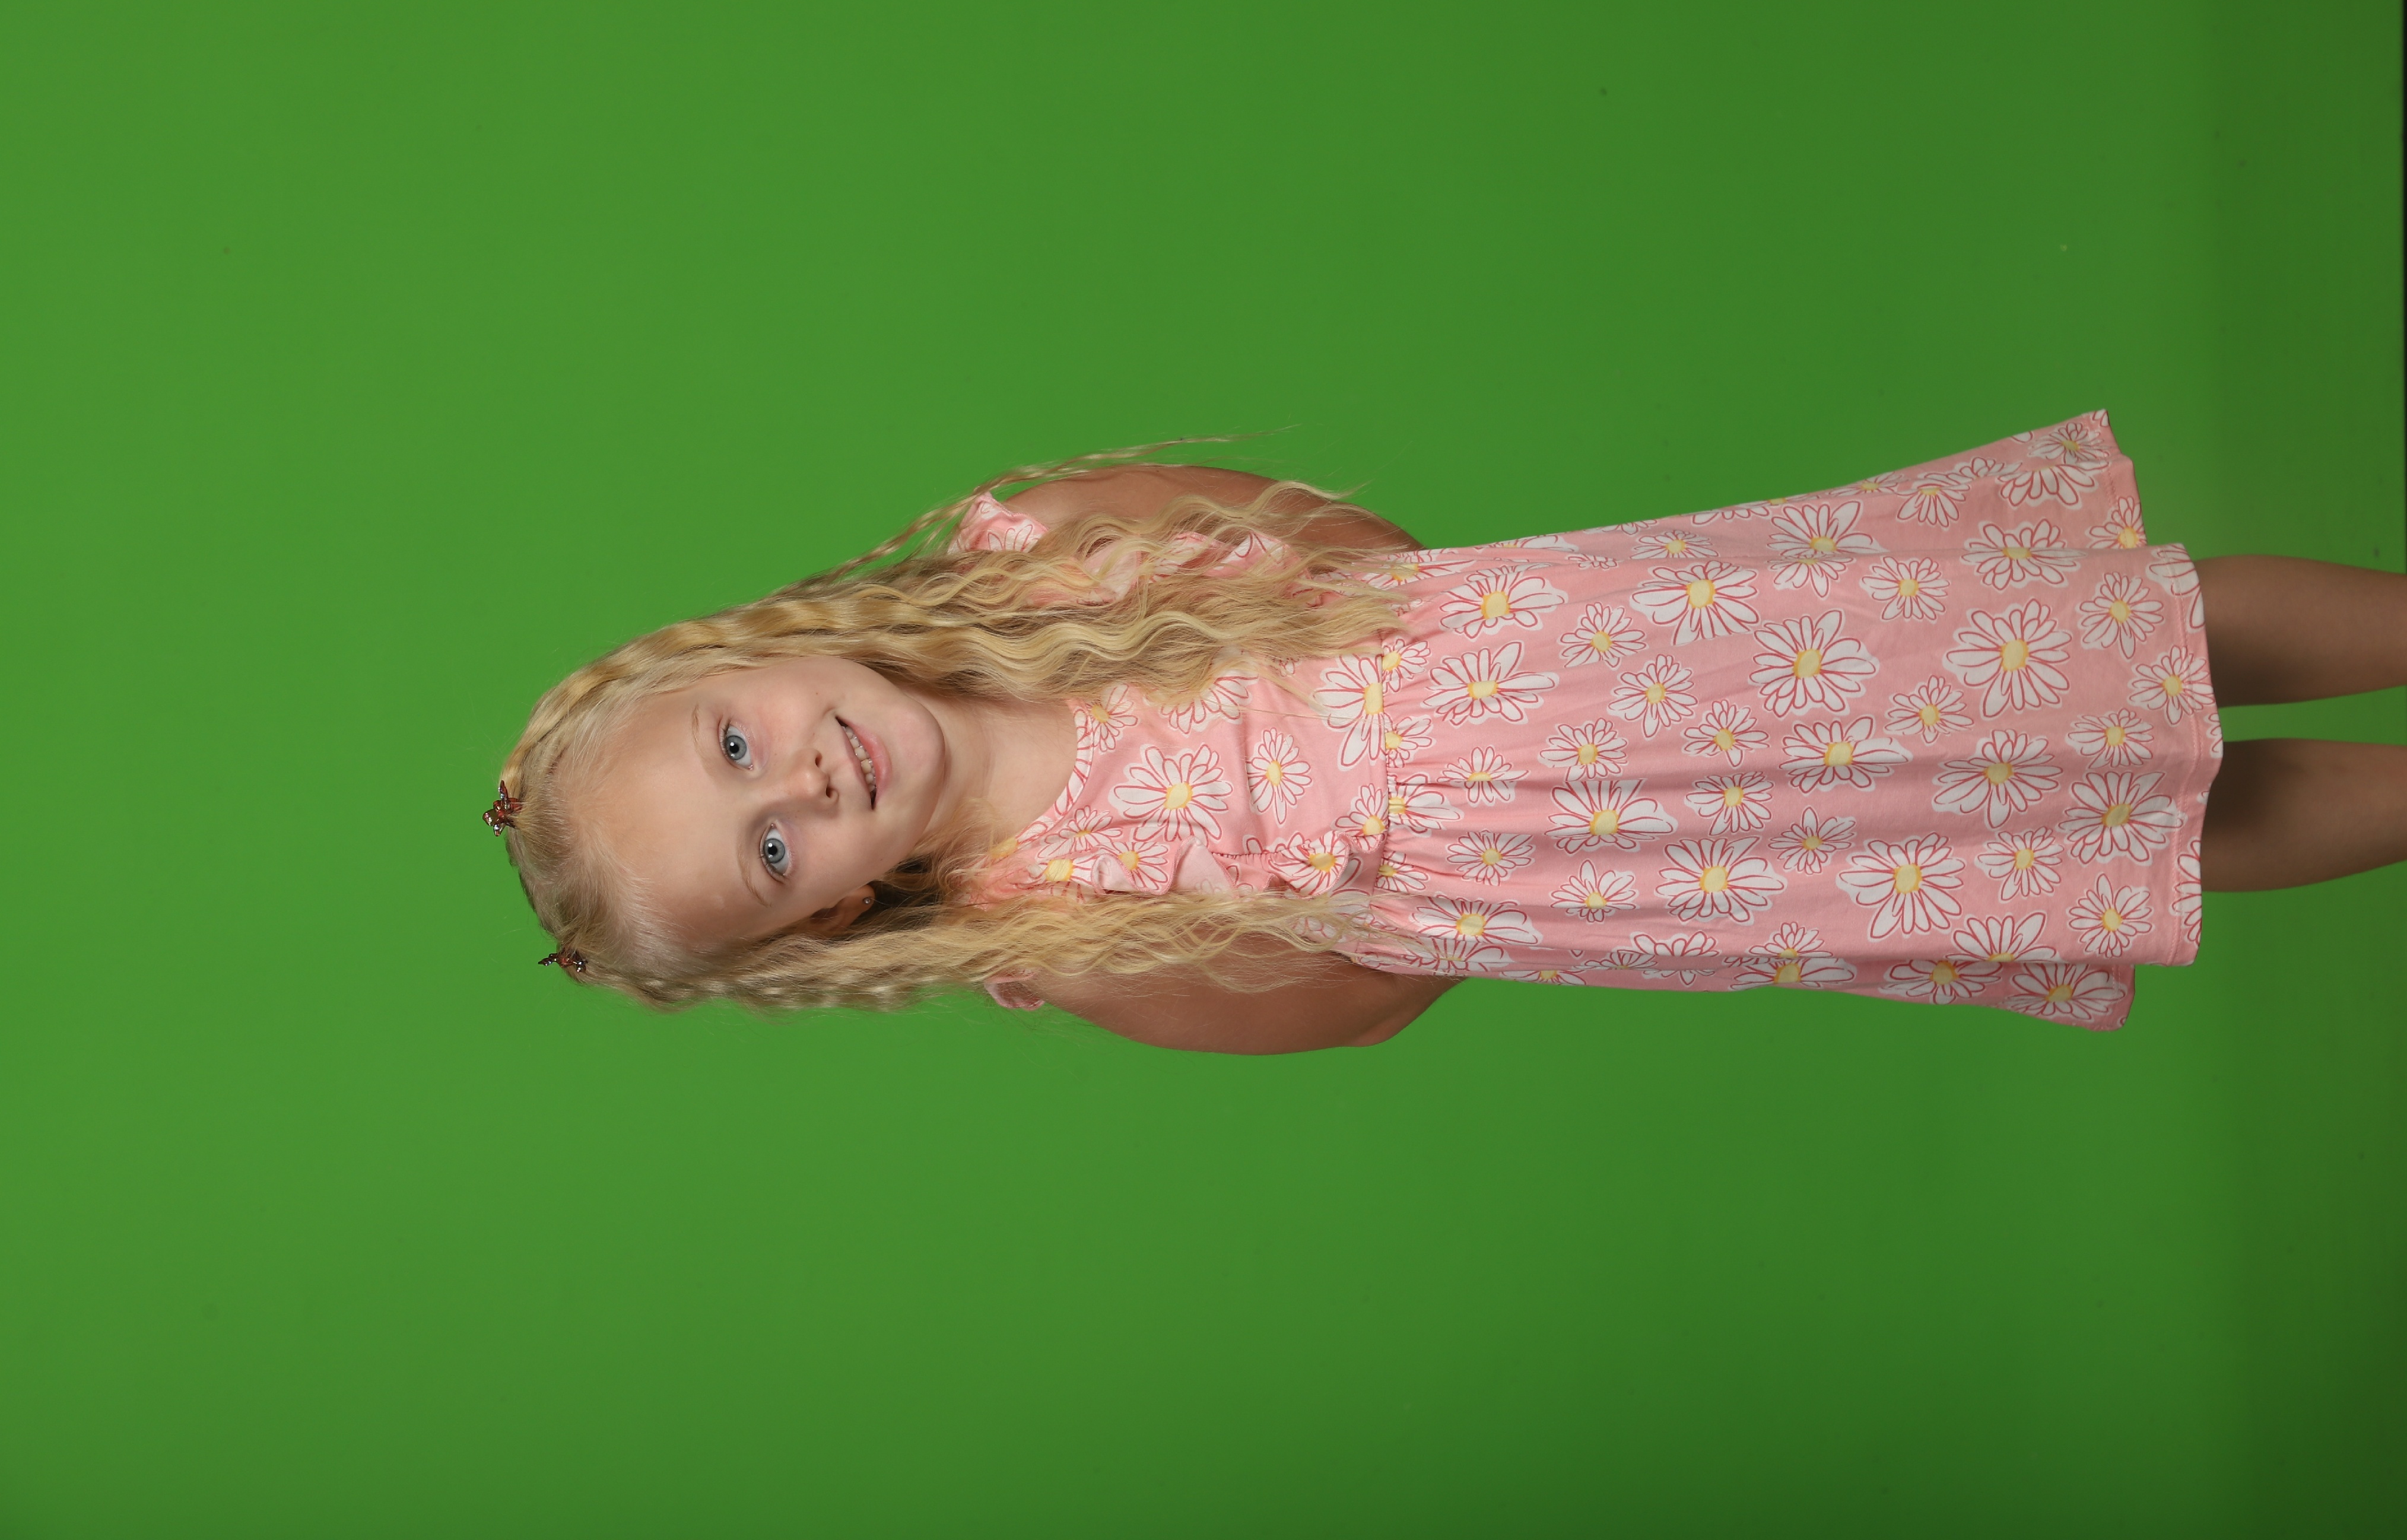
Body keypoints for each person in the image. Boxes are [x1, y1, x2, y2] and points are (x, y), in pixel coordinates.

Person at [485, 414, 2407, 1053]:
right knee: (2102, 827)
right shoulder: (1057, 936)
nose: (804, 782)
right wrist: (1419, 867)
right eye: (770, 852)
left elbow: (1356, 545)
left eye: (736, 748)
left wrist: (1375, 668)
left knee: (2111, 639)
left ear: (761, 654)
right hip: (1603, 858)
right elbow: (1351, 1003)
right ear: (828, 916)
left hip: (1618, 649)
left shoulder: (1041, 553)